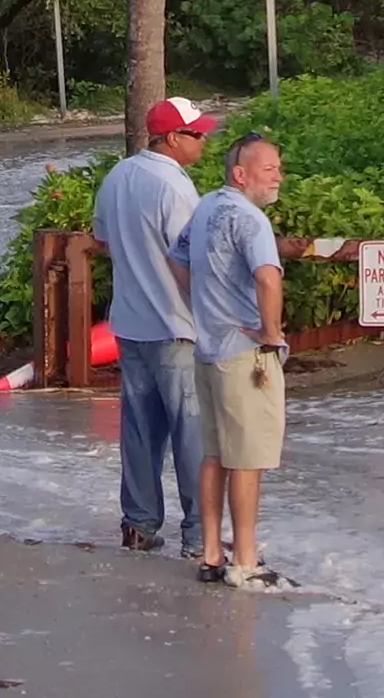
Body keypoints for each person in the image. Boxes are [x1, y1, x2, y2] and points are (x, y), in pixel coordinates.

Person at [86, 96, 216, 558]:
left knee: (140, 430)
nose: (204, 142)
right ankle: (200, 536)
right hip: (175, 324)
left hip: (129, 323)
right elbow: (193, 260)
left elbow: (100, 239)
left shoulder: (117, 177)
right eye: (198, 135)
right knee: (192, 433)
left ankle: (138, 526)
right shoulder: (175, 189)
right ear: (172, 138)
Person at [179, 136, 293, 589]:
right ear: (240, 173)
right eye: (269, 169)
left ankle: (211, 553)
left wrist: (204, 305)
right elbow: (268, 277)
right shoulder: (251, 218)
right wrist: (271, 331)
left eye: (278, 168)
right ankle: (245, 558)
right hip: (244, 354)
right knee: (247, 460)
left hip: (208, 349)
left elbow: (177, 259)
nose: (278, 176)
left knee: (215, 455)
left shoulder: (207, 207)